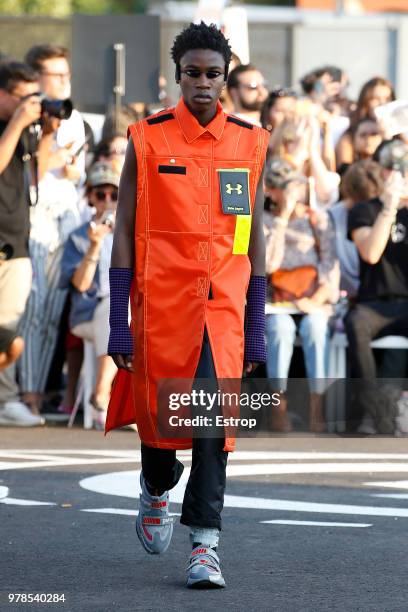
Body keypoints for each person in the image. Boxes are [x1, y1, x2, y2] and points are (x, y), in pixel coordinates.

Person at [106, 22, 269, 589]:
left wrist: (256, 321)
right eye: (193, 73)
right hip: (161, 306)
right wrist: (118, 321)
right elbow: (124, 227)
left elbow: (254, 230)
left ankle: (205, 544)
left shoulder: (250, 142)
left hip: (221, 308)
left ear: (227, 78)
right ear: (178, 76)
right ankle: (155, 486)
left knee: (212, 426)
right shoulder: (146, 138)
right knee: (159, 424)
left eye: (214, 74)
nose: (203, 84)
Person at [263, 159, 339, 433]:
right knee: (279, 329)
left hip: (312, 297)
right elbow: (267, 265)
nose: (293, 193)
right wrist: (282, 219)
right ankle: (278, 405)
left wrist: (317, 299)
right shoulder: (264, 220)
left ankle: (317, 405)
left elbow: (331, 264)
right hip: (277, 301)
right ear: (272, 191)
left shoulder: (318, 219)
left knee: (316, 328)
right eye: (286, 188)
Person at [0, 61, 51, 427]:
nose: (32, 103)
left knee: (8, 330)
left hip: (16, 242)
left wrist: (46, 133)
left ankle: (5, 399)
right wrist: (17, 122)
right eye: (25, 96)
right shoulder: (13, 126)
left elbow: (38, 176)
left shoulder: (27, 130)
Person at [346, 140, 408, 434]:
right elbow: (370, 252)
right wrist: (389, 209)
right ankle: (377, 411)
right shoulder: (364, 210)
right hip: (374, 304)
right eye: (390, 167)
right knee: (355, 323)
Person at [59, 161, 120, 429]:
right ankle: (101, 394)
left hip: (128, 309)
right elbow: (81, 286)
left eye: (114, 194)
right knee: (113, 307)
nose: (107, 201)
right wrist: (94, 247)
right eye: (100, 194)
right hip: (90, 311)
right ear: (90, 198)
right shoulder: (78, 237)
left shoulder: (132, 234)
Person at [336, 76, 395, 169]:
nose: (382, 103)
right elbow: (345, 170)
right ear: (365, 102)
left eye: (387, 98)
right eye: (375, 98)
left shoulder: (399, 133)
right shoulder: (350, 135)